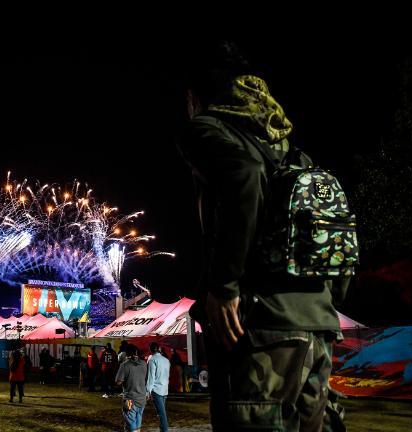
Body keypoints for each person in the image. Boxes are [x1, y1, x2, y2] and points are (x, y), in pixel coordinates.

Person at [180, 40, 351, 431]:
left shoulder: (207, 129)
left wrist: (223, 286)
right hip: (318, 327)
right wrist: (329, 299)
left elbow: (243, 173)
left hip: (263, 331)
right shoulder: (287, 148)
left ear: (194, 96)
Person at [115, 344, 148, 432]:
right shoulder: (144, 364)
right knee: (138, 418)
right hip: (142, 398)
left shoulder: (124, 365)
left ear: (127, 353)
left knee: (130, 420)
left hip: (130, 399)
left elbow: (118, 382)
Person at [146, 342, 171, 432]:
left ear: (150, 349)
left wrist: (147, 391)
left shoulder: (152, 360)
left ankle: (164, 430)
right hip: (164, 389)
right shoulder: (166, 360)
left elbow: (151, 377)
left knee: (161, 413)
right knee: (161, 412)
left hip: (156, 390)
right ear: (159, 349)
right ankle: (163, 429)